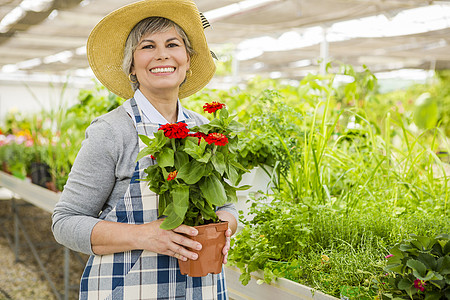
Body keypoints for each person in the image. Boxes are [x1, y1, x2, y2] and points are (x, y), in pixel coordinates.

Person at [51, 0, 238, 299]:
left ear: (188, 60)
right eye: (147, 46)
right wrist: (145, 235)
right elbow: (65, 221)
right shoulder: (113, 130)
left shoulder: (205, 131)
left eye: (173, 44)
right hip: (126, 288)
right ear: (132, 67)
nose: (162, 54)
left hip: (200, 288)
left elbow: (225, 205)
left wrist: (223, 229)